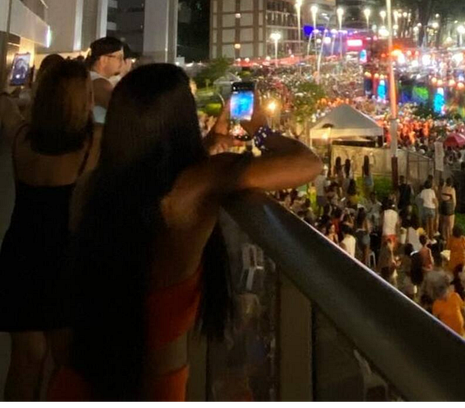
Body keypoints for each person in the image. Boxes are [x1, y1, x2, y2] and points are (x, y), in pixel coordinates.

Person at [47, 64, 323, 403]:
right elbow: (308, 164)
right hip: (154, 388)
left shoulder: (90, 189)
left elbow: (148, 180)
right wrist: (261, 131)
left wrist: (206, 144)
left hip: (78, 378)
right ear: (181, 122)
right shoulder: (202, 182)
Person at [0, 60, 101, 403]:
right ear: (83, 100)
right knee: (66, 366)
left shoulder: (22, 139)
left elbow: (5, 107)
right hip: (65, 263)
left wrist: (9, 89)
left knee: (24, 362)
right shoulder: (94, 145)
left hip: (19, 256)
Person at [85, 37, 125, 125]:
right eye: (119, 58)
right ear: (104, 60)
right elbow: (123, 108)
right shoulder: (99, 83)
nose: (122, 62)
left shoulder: (90, 78)